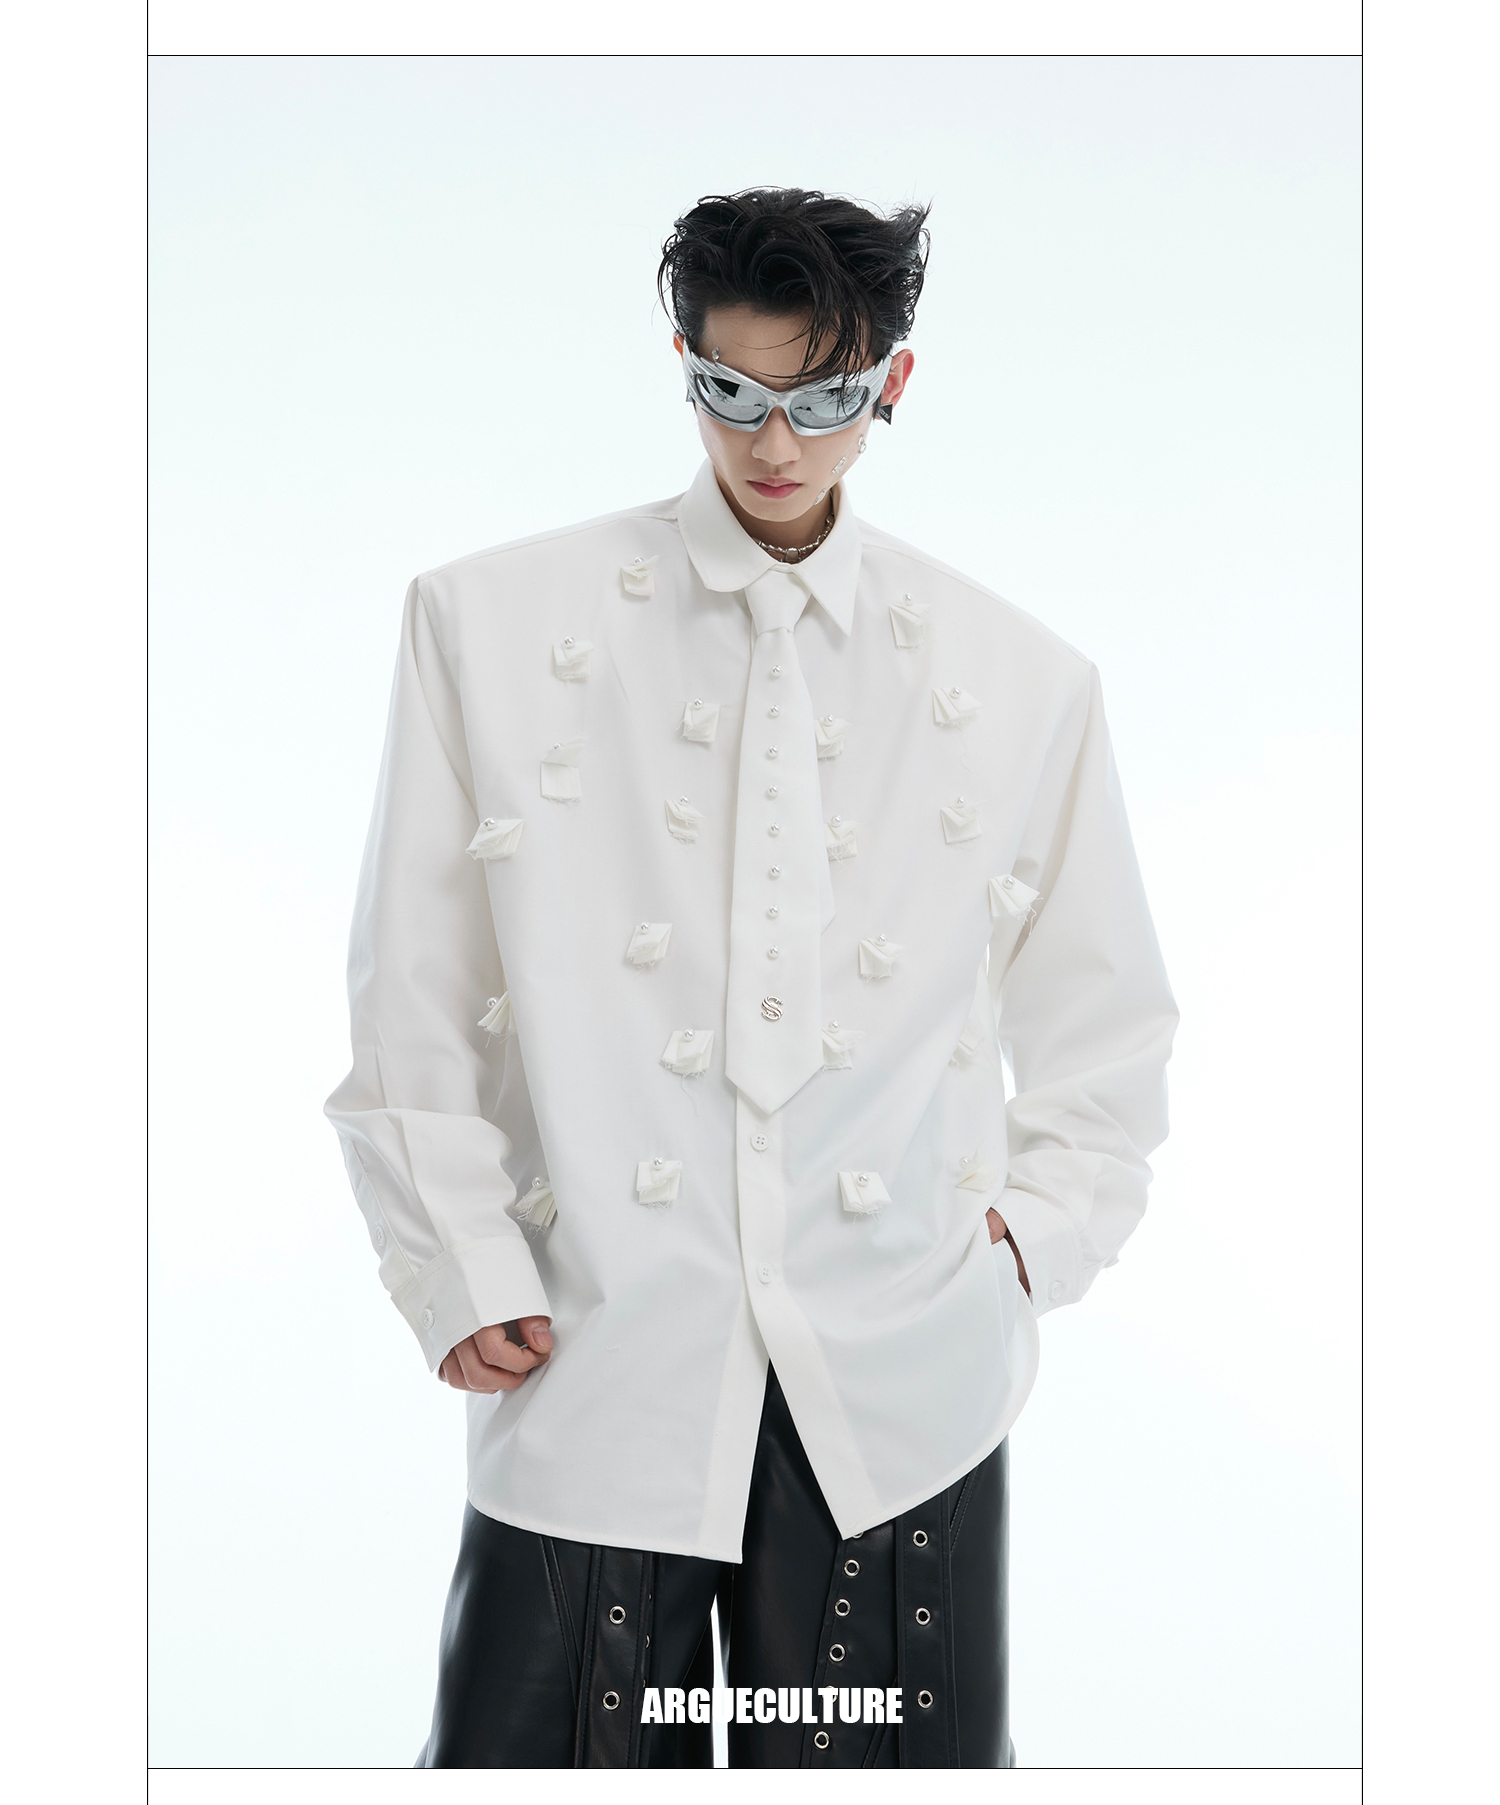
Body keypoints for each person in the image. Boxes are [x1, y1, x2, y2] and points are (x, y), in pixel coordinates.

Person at [325, 186, 1177, 1768]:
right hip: (592, 1347)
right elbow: (414, 985)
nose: (775, 443)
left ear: (894, 382)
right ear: (684, 363)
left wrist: (1028, 1243)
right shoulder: (485, 627)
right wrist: (455, 1256)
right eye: (733, 391)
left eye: (824, 399)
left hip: (901, 1381)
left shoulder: (1023, 680)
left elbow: (1108, 1019)